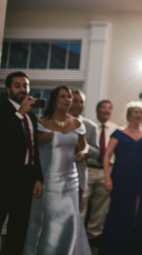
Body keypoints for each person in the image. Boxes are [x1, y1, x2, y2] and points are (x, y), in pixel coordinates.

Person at [23, 86, 91, 255]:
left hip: (71, 181)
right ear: (54, 100)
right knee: (51, 220)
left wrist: (83, 153)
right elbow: (34, 154)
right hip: (50, 180)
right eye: (63, 97)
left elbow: (83, 147)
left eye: (69, 97)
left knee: (71, 219)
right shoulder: (42, 124)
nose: (68, 100)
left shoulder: (77, 123)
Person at [100, 101, 142, 255]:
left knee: (138, 212)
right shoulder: (118, 133)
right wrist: (107, 178)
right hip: (121, 176)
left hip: (140, 178)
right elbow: (106, 156)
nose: (138, 115)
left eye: (140, 112)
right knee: (119, 211)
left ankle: (134, 249)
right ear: (129, 115)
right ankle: (117, 249)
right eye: (135, 112)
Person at [0, 71, 44, 255]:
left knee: (18, 228)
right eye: (17, 86)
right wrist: (19, 114)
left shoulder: (30, 115)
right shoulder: (3, 108)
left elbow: (33, 149)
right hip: (3, 177)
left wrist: (37, 178)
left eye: (25, 86)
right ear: (8, 89)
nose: (22, 90)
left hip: (25, 179)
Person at [84, 99, 118, 242]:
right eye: (103, 107)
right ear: (97, 110)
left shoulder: (116, 129)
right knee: (82, 202)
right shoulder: (88, 126)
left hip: (106, 171)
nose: (106, 110)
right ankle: (78, 234)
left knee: (101, 205)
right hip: (89, 169)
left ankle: (94, 235)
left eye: (109, 108)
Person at [69, 89, 99, 217]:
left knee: (77, 214)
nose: (79, 105)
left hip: (79, 175)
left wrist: (84, 149)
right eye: (75, 101)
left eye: (82, 102)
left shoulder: (90, 126)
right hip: (59, 174)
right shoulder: (59, 123)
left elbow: (97, 152)